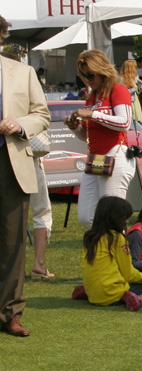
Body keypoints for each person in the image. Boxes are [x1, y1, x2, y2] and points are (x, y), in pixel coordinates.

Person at [0, 13, 50, 337]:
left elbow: (41, 114)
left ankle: (11, 313)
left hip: (11, 161)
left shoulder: (23, 71)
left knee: (12, 240)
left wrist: (19, 125)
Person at [65, 49, 136, 229]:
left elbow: (124, 123)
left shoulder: (118, 89)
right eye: (84, 75)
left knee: (112, 216)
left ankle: (122, 252)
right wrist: (75, 128)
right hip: (96, 158)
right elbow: (87, 136)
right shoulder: (92, 97)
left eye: (91, 74)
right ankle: (107, 249)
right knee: (86, 216)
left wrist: (92, 114)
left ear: (102, 69)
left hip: (116, 154)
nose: (88, 79)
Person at [71, 196, 142, 311]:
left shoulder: (90, 237)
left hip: (94, 294)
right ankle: (139, 299)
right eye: (125, 218)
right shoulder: (117, 239)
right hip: (114, 294)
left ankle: (91, 291)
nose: (127, 221)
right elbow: (129, 274)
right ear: (115, 218)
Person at [29, 159, 54, 279]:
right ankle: (39, 263)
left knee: (12, 215)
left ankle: (13, 267)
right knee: (42, 213)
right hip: (29, 159)